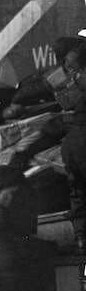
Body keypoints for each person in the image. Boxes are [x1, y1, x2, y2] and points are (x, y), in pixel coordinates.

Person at [60, 42, 86, 253]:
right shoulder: (73, 141)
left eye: (74, 71)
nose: (72, 79)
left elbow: (77, 191)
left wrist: (80, 233)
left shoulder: (72, 141)